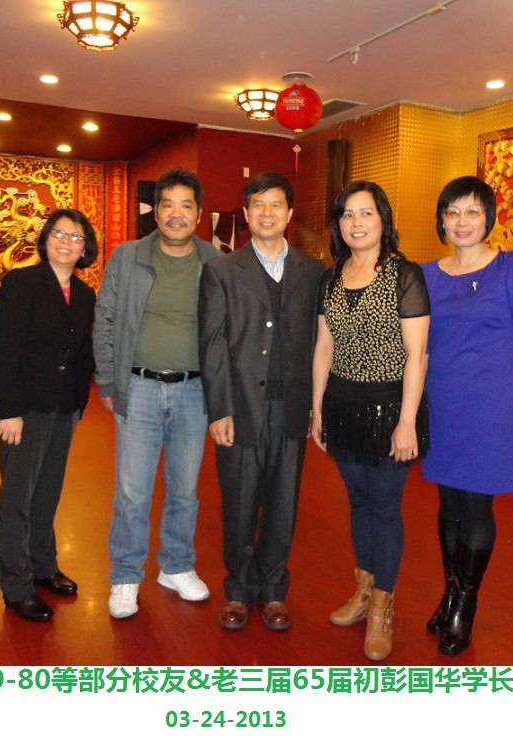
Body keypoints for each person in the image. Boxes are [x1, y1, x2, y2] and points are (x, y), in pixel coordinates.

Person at [421, 175, 513, 656]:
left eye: (472, 212)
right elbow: (418, 347)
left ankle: (465, 606)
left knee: (476, 507)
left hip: (492, 405)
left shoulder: (511, 271)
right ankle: (450, 591)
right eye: (453, 212)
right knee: (448, 504)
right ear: (442, 220)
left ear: (488, 218)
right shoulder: (425, 275)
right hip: (442, 404)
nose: (462, 221)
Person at [199, 171, 324, 631]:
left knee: (283, 501)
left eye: (276, 205)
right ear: (247, 214)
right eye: (258, 205)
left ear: (289, 214)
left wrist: (315, 406)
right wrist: (220, 409)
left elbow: (318, 342)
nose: (267, 213)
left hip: (291, 406)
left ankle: (273, 590)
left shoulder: (312, 271)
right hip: (240, 407)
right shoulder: (221, 270)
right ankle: (238, 589)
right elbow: (212, 343)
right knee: (239, 499)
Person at [310, 181, 430, 660]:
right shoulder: (331, 278)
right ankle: (363, 591)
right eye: (347, 215)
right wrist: (317, 409)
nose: (356, 223)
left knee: (384, 506)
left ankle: (382, 606)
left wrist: (407, 421)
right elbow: (324, 348)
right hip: (342, 407)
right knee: (358, 501)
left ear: (383, 220)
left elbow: (417, 355)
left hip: (390, 408)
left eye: (366, 213)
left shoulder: (404, 275)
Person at [94, 168, 220, 619]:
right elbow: (106, 319)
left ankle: (176, 566)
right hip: (139, 386)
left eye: (186, 205)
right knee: (132, 491)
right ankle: (126, 575)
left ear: (198, 214)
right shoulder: (127, 257)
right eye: (168, 204)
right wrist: (108, 381)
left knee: (185, 489)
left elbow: (225, 332)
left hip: (193, 391)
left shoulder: (215, 262)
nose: (176, 214)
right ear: (156, 211)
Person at [0, 209, 98, 622]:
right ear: (46, 239)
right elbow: (6, 349)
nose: (66, 242)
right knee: (18, 496)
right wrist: (10, 409)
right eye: (59, 233)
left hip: (64, 406)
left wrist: (80, 400)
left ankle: (43, 565)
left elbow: (82, 351)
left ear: (85, 248)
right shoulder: (22, 282)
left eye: (76, 236)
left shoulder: (84, 294)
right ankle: (16, 584)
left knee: (48, 489)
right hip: (27, 408)